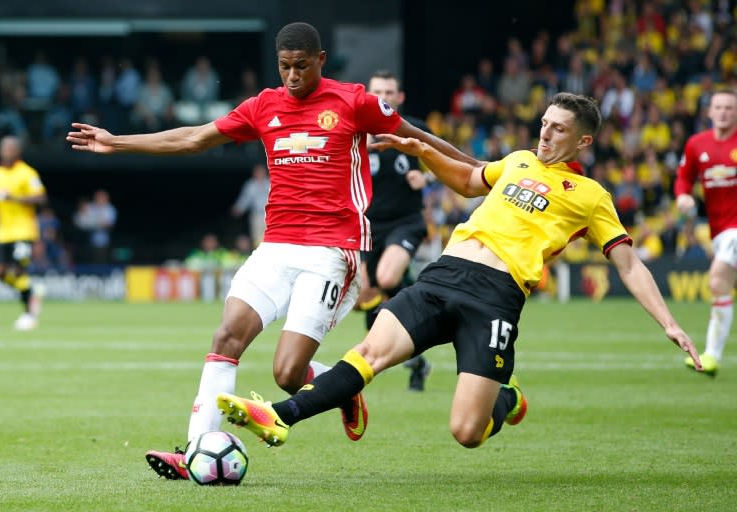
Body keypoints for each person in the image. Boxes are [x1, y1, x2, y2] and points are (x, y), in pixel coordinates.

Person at [67, 22, 476, 480]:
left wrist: (482, 169)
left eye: (302, 66)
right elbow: (194, 138)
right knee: (226, 339)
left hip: (329, 252)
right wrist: (117, 142)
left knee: (287, 374)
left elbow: (420, 138)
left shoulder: (354, 102)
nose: (293, 76)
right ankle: (195, 450)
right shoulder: (263, 106)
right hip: (276, 248)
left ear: (321, 61)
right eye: (285, 67)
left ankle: (339, 385)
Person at [215, 92, 703, 452]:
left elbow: (629, 263)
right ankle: (279, 416)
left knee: (466, 433)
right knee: (369, 353)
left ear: (583, 140)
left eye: (558, 128)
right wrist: (422, 152)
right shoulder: (517, 162)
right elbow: (470, 181)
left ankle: (504, 401)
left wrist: (670, 323)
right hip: (443, 275)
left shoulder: (592, 197)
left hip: (495, 299)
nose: (546, 132)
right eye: (545, 122)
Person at [362, 70, 432, 391]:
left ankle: (418, 296)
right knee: (365, 294)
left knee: (388, 280)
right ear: (368, 94)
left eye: (390, 92)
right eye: (378, 91)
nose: (384, 97)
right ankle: (416, 360)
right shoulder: (357, 132)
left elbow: (450, 163)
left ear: (399, 97)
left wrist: (427, 179)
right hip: (367, 226)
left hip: (405, 221)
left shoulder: (414, 130)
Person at [675, 89, 737, 377]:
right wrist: (683, 197)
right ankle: (711, 356)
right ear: (709, 112)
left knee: (717, 278)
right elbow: (684, 178)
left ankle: (711, 355)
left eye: (729, 107)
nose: (723, 112)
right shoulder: (697, 144)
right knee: (721, 287)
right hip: (719, 231)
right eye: (719, 107)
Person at [0, 135, 47, 330]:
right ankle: (32, 292)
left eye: (10, 148)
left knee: (20, 271)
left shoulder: (27, 173)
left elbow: (40, 198)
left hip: (23, 231)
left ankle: (29, 315)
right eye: (4, 148)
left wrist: (15, 198)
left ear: (17, 151)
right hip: (3, 232)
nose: (6, 151)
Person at [231, 163, 270, 247]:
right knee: (258, 238)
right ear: (254, 173)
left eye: (261, 172)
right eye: (257, 172)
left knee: (272, 238)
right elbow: (245, 199)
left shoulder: (271, 183)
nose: (259, 174)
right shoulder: (250, 185)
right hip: (257, 215)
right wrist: (239, 208)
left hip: (272, 215)